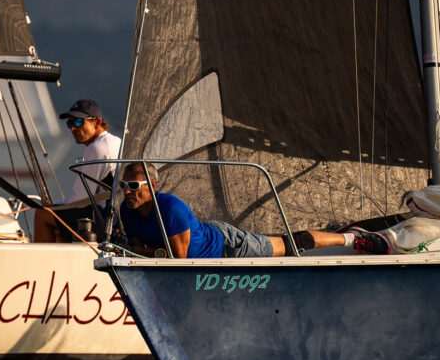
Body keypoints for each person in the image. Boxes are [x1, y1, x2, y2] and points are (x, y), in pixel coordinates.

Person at [118, 162, 390, 258]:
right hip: (207, 242)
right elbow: (139, 246)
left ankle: (352, 238)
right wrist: (137, 250)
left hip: (227, 246)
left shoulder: (170, 208)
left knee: (292, 245)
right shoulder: (126, 210)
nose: (127, 192)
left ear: (152, 186)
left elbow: (178, 258)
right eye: (123, 186)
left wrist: (140, 251)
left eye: (133, 186)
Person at [33, 99, 121, 243]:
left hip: (102, 218)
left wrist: (53, 207)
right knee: (58, 221)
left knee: (42, 214)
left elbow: (81, 199)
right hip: (114, 215)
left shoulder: (96, 148)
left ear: (97, 122)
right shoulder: (116, 141)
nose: (73, 128)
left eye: (79, 122)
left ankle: (43, 258)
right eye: (70, 123)